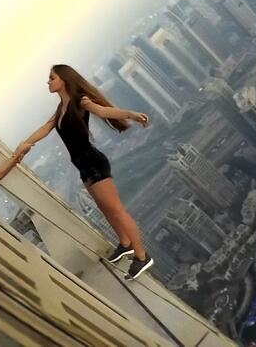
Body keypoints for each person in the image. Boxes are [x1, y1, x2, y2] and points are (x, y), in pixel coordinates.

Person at [14, 64, 154, 280]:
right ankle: (125, 244)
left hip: (93, 162)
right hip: (83, 165)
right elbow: (46, 127)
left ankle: (142, 257)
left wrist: (131, 115)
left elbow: (103, 111)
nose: (48, 82)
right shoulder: (61, 108)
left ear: (64, 79)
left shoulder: (80, 100)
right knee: (105, 208)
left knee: (116, 210)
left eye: (52, 78)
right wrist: (26, 143)